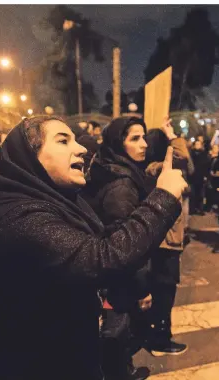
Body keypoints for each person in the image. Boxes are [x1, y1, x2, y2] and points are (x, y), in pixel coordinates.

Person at [0, 115, 187, 380]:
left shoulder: (51, 203)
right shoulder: (20, 217)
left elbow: (103, 239)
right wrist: (164, 198)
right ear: (29, 158)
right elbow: (101, 258)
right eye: (62, 140)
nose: (81, 148)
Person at [82, 116, 153, 380]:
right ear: (117, 142)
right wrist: (142, 287)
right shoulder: (122, 185)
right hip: (117, 281)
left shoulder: (115, 170)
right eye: (134, 138)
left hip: (108, 277)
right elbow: (127, 243)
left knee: (114, 340)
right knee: (117, 335)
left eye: (144, 136)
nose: (143, 144)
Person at [143, 120, 189, 356]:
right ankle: (160, 339)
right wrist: (173, 137)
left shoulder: (145, 170)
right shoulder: (163, 170)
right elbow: (184, 160)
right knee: (165, 292)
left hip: (157, 240)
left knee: (157, 290)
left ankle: (153, 333)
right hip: (167, 241)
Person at [189, 139, 210, 215]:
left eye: (199, 144)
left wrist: (206, 176)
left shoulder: (204, 154)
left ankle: (200, 209)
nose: (197, 145)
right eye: (196, 144)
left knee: (201, 194)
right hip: (193, 177)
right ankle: (193, 209)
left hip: (201, 177)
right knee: (193, 194)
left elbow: (206, 166)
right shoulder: (191, 154)